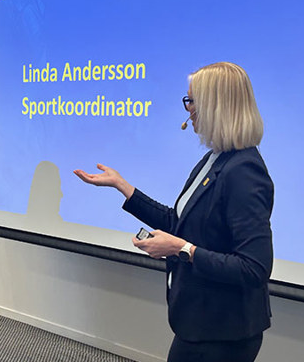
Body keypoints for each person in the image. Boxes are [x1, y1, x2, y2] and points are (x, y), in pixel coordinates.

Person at [74, 62, 273, 362]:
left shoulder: (244, 171)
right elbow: (179, 223)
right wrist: (123, 187)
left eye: (192, 100)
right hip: (201, 322)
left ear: (215, 106)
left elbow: (254, 268)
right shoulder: (216, 159)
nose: (187, 108)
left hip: (223, 333)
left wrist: (182, 250)